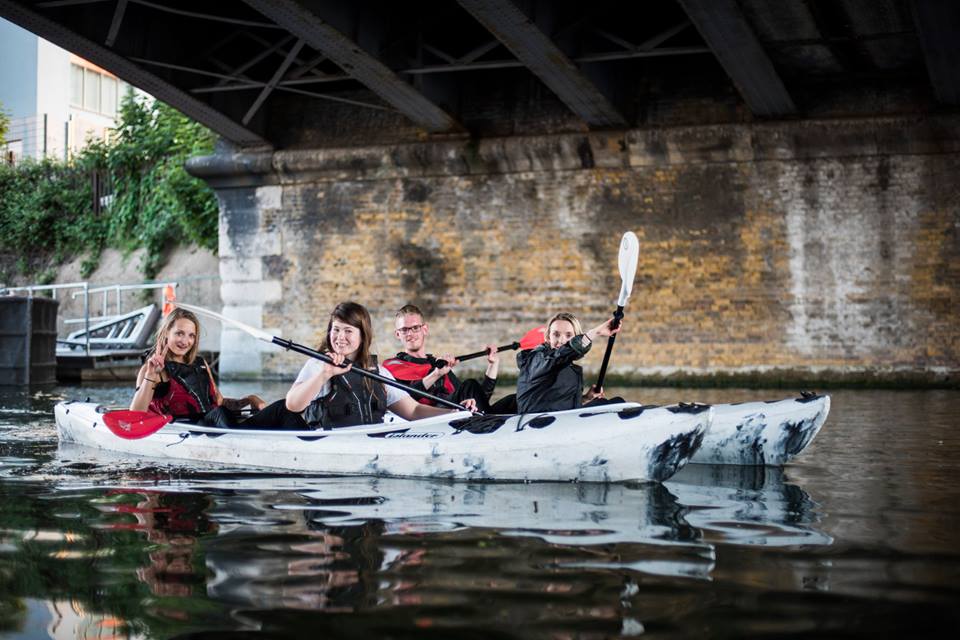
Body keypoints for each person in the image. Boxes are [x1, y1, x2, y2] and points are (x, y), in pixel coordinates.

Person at [250, 301, 474, 430]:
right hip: (328, 442)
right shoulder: (318, 364)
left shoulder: (378, 372)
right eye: (336, 329)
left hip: (366, 442)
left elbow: (413, 410)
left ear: (362, 335)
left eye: (348, 331)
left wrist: (452, 413)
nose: (340, 337)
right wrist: (325, 373)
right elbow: (292, 405)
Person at [131, 308, 266, 425]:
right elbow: (135, 414)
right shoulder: (151, 370)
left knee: (279, 408)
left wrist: (249, 399)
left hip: (218, 421)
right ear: (167, 332)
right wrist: (150, 376)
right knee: (220, 413)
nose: (185, 341)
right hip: (192, 427)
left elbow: (219, 401)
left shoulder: (201, 363)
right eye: (179, 333)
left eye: (191, 336)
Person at [383, 304, 515, 414]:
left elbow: (479, 399)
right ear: (397, 334)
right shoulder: (391, 367)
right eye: (405, 330)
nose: (410, 334)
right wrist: (436, 374)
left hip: (465, 415)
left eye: (415, 328)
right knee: (469, 385)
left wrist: (493, 364)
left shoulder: (438, 364)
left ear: (425, 329)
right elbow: (402, 401)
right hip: (432, 418)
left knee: (513, 400)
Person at [516, 312, 624, 414]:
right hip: (535, 423)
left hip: (559, 421)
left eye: (568, 335)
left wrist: (585, 399)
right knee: (608, 404)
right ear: (548, 337)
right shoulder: (536, 359)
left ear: (576, 337)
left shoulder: (569, 368)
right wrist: (595, 332)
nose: (562, 340)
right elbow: (557, 357)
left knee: (617, 402)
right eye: (556, 334)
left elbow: (558, 404)